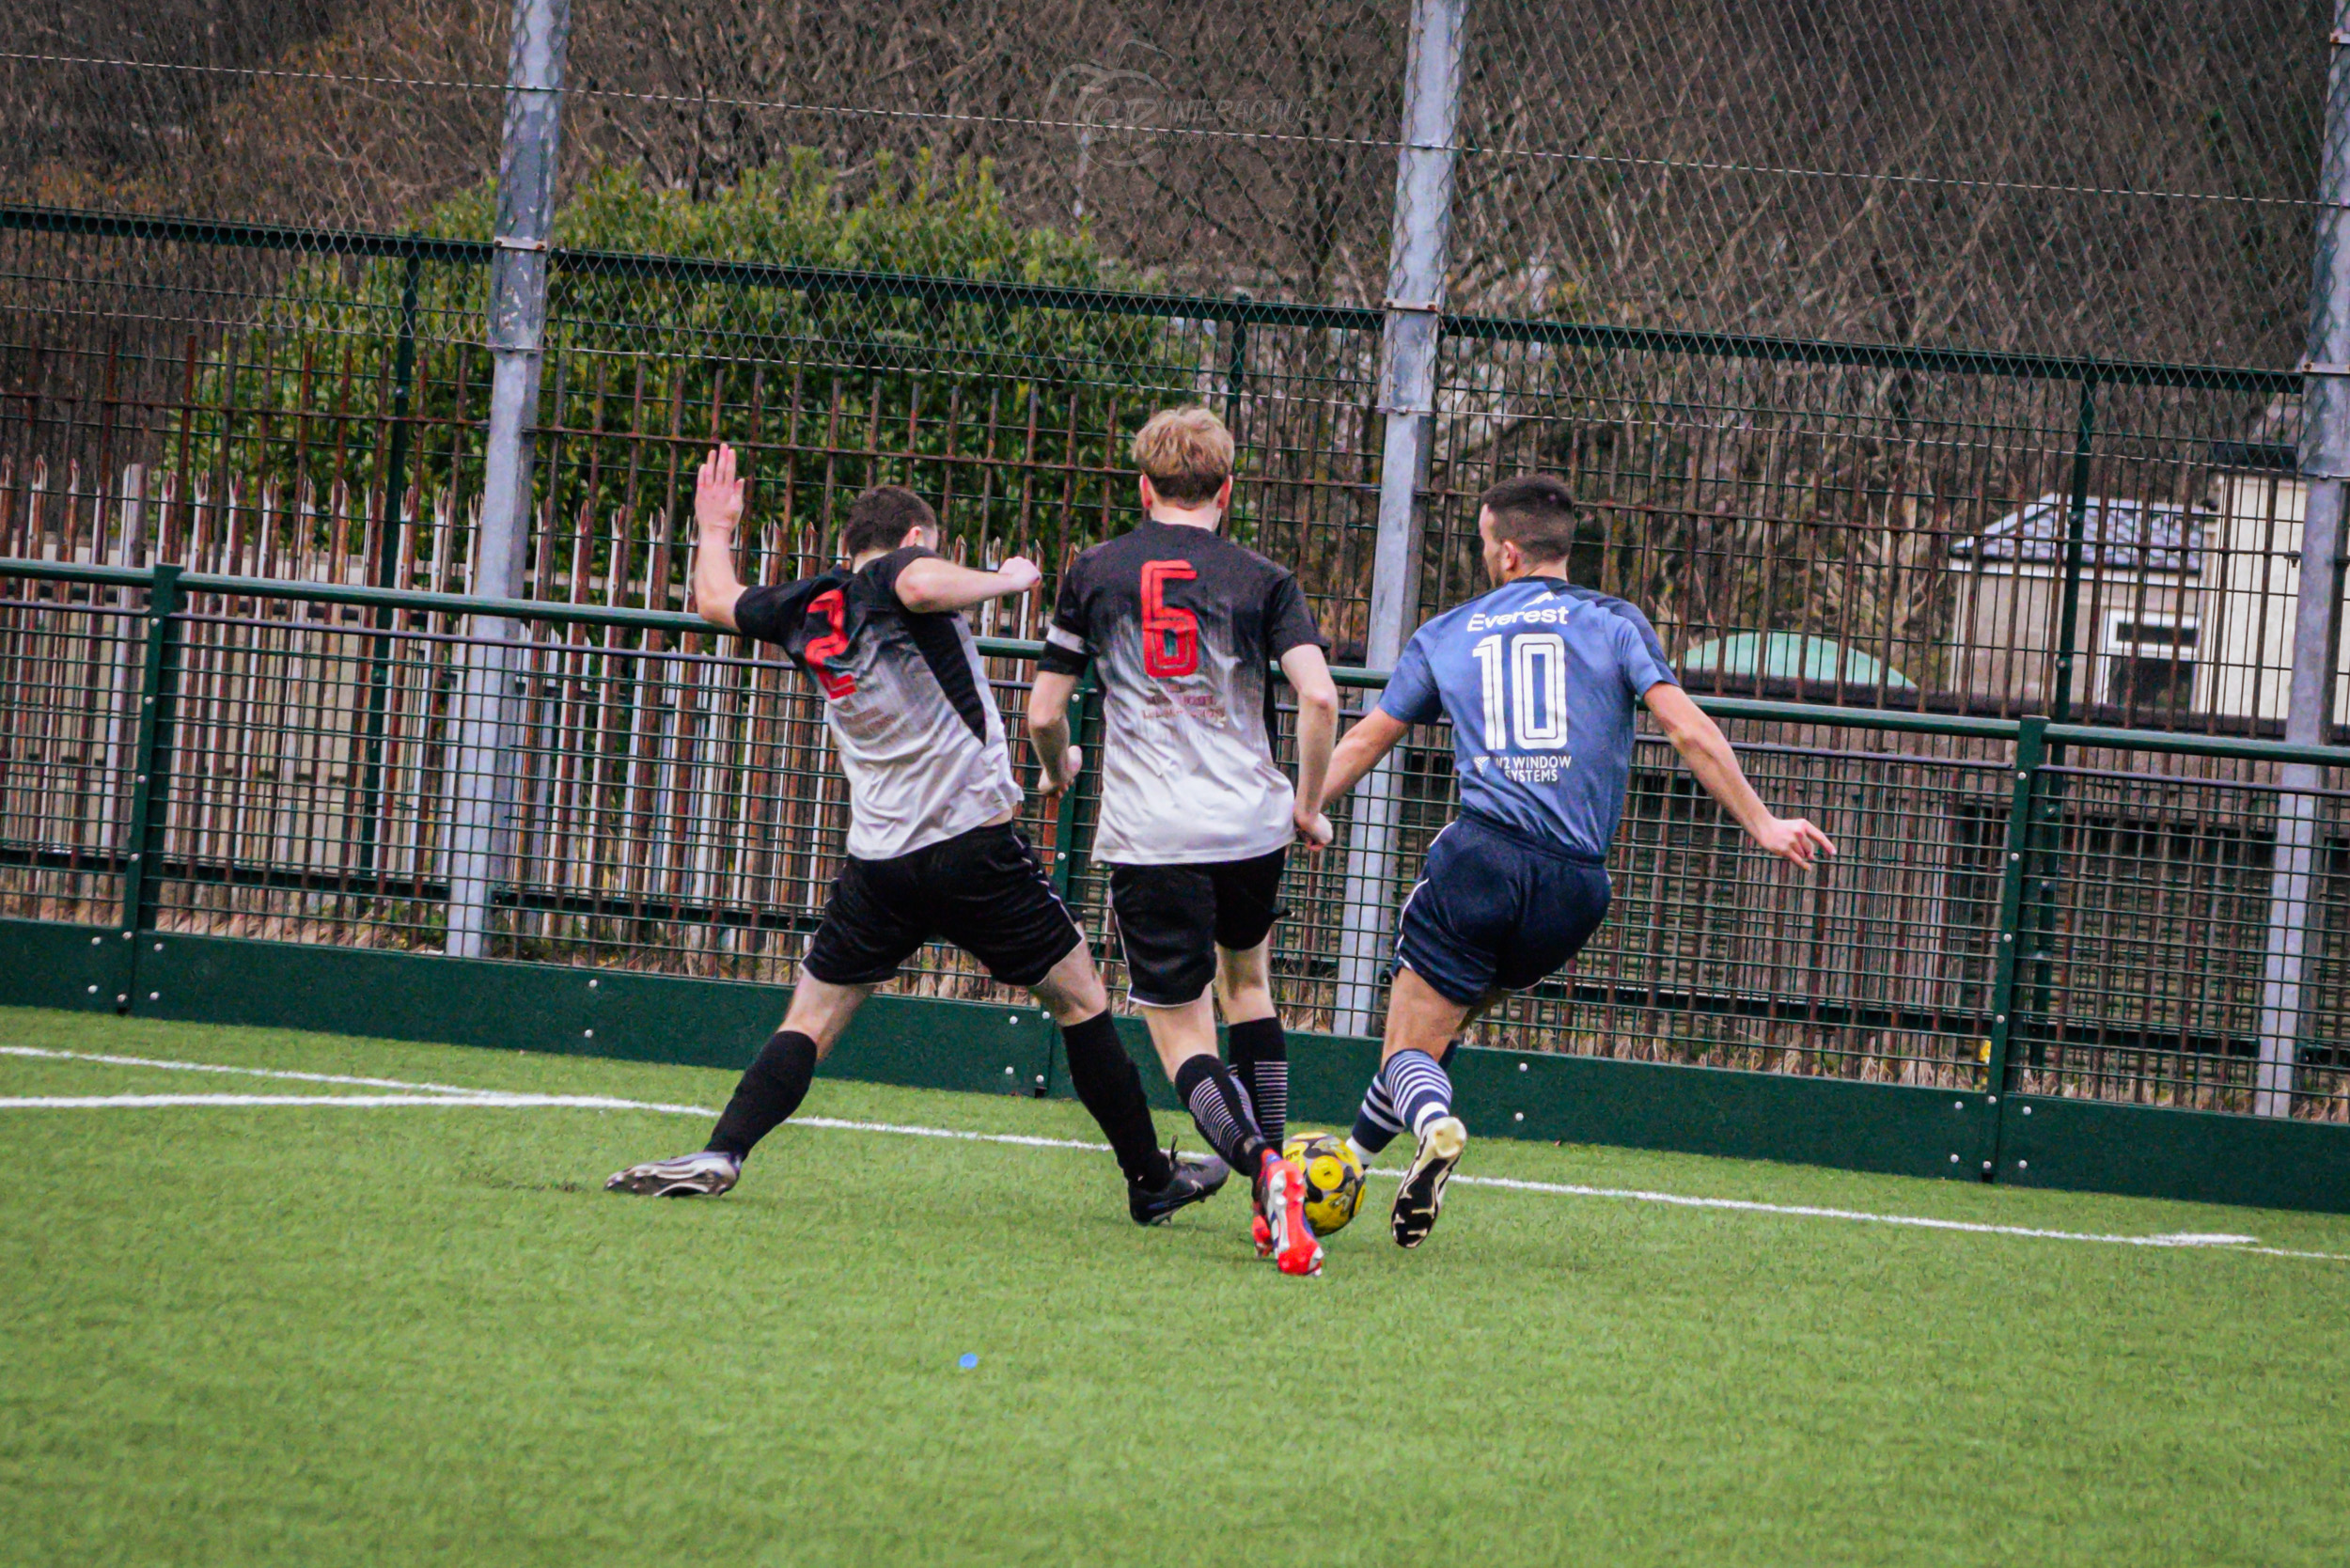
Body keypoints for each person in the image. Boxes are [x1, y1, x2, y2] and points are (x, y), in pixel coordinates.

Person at [607, 446, 1226, 1226]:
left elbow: (714, 598)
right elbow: (920, 583)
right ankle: (1149, 1179)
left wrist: (716, 526)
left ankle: (723, 1151)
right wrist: (1008, 578)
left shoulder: (808, 605)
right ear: (912, 539)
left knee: (811, 1020)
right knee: (1081, 1000)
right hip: (973, 851)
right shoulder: (900, 575)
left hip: (880, 862)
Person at [1320, 473, 1838, 1248]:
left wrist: (1296, 812)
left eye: (1484, 544)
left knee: (1406, 1051)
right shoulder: (1616, 622)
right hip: (1576, 889)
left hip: (1482, 861)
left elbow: (1364, 741)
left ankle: (1434, 1128)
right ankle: (1354, 1164)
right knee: (1438, 1034)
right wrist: (1761, 822)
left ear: (1505, 553)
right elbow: (1689, 730)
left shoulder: (1448, 633)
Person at [1027, 406, 1341, 1277]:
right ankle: (1272, 1206)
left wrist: (1057, 769)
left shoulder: (1095, 571)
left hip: (1154, 832)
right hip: (1251, 825)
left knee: (1180, 1033)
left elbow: (1045, 711)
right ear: (1226, 489)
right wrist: (1307, 804)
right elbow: (1320, 698)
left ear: (1143, 486)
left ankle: (1264, 1169)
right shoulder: (1264, 578)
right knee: (1250, 987)